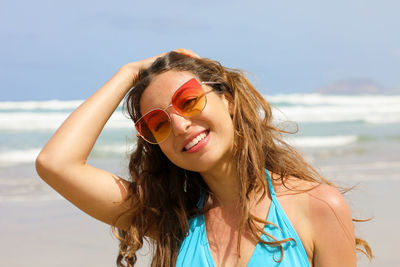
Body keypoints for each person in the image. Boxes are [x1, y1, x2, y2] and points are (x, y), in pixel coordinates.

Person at [36, 49, 372, 267]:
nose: (180, 125)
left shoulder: (318, 207)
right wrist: (128, 72)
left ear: (226, 99)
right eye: (158, 123)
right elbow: (56, 163)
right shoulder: (172, 220)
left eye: (189, 100)